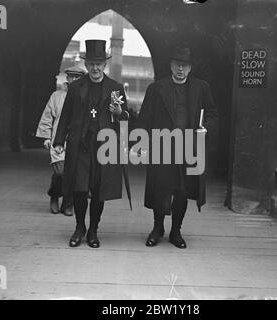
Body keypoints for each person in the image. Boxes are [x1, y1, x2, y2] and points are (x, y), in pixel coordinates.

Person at [137, 46, 218, 249]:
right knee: (160, 189)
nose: (180, 69)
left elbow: (212, 113)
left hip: (188, 147)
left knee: (182, 191)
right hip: (161, 146)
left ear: (190, 68)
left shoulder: (201, 87)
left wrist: (204, 128)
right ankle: (157, 228)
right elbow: (144, 118)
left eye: (185, 65)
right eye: (177, 65)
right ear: (171, 66)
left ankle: (175, 231)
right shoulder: (156, 89)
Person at [53, 39, 130, 248]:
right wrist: (59, 141)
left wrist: (119, 113)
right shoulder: (76, 87)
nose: (95, 68)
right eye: (91, 64)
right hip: (81, 147)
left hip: (104, 149)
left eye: (99, 64)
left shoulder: (115, 88)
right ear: (86, 65)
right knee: (79, 189)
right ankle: (79, 228)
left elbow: (125, 119)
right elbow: (66, 117)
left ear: (104, 64)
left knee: (98, 191)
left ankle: (94, 230)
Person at [36, 66, 86, 216]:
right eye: (71, 77)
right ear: (67, 78)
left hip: (77, 141)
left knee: (75, 174)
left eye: (77, 77)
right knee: (61, 172)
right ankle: (54, 196)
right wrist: (46, 137)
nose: (74, 80)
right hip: (59, 142)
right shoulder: (56, 96)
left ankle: (68, 203)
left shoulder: (85, 96)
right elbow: (47, 117)